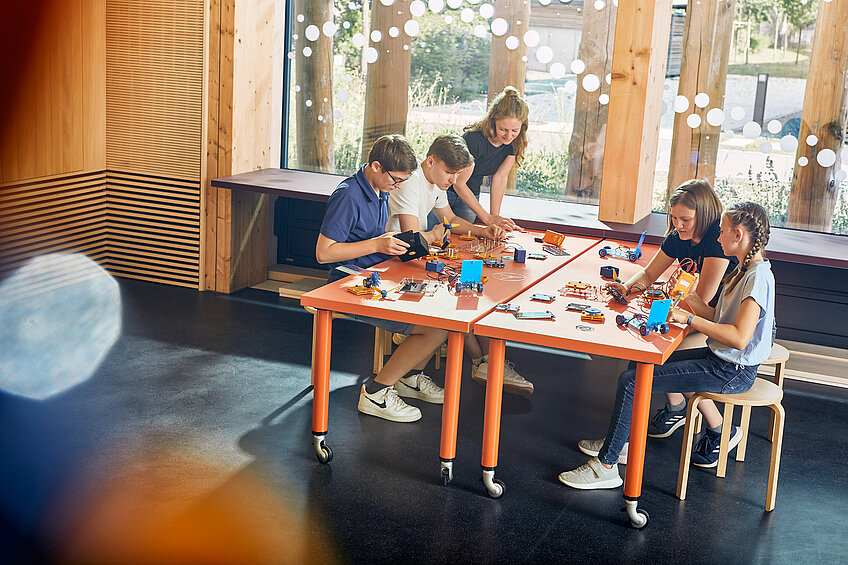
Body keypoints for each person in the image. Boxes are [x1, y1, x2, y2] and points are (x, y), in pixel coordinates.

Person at [558, 201, 775, 488]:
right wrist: (693, 300)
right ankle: (620, 443)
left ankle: (606, 466)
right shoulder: (743, 270)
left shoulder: (757, 277)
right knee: (645, 363)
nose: (718, 237)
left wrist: (689, 319)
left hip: (731, 370)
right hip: (722, 360)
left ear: (738, 235)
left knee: (631, 382)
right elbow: (720, 317)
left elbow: (738, 337)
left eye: (722, 232)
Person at [577, 179, 736, 463]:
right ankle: (675, 409)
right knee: (650, 351)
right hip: (694, 315)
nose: (678, 225)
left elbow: (701, 300)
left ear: (705, 215)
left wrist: (662, 300)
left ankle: (720, 429)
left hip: (718, 324)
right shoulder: (678, 236)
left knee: (650, 358)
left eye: (686, 219)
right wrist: (626, 287)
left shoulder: (716, 241)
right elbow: (649, 275)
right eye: (674, 218)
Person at [387, 134, 534, 394]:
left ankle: (485, 363)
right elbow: (412, 242)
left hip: (419, 258)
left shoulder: (435, 183)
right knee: (464, 294)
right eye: (450, 173)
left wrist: (483, 230)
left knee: (474, 288)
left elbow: (451, 218)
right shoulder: (411, 183)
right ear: (430, 161)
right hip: (398, 264)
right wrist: (435, 237)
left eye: (457, 174)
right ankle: (483, 363)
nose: (454, 181)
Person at [315, 134, 448, 423]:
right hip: (346, 282)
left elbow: (376, 241)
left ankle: (408, 378)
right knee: (435, 329)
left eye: (403, 181)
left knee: (439, 312)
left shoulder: (380, 188)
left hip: (376, 273)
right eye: (397, 180)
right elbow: (324, 254)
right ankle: (376, 392)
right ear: (376, 166)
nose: (399, 186)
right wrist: (378, 244)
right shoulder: (348, 195)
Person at [428, 86, 529, 232]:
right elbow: (459, 183)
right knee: (434, 235)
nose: (508, 136)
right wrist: (487, 219)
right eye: (503, 130)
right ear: (493, 121)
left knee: (461, 240)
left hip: (470, 195)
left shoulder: (513, 143)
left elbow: (500, 178)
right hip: (445, 191)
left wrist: (496, 220)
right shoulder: (474, 139)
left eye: (514, 130)